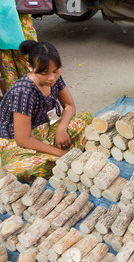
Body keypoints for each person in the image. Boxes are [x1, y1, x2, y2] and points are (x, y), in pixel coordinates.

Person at [0, 40, 94, 182]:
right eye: (44, 73)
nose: (51, 78)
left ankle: (58, 157)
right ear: (30, 67)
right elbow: (22, 139)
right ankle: (62, 156)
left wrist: (61, 129)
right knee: (19, 168)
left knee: (87, 118)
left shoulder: (55, 78)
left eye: (55, 71)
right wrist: (61, 153)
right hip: (18, 144)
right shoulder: (23, 91)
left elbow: (69, 106)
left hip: (45, 130)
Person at [1, 0, 38, 95]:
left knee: (29, 61)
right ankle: (15, 104)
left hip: (20, 20)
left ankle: (36, 99)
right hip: (3, 25)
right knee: (7, 65)